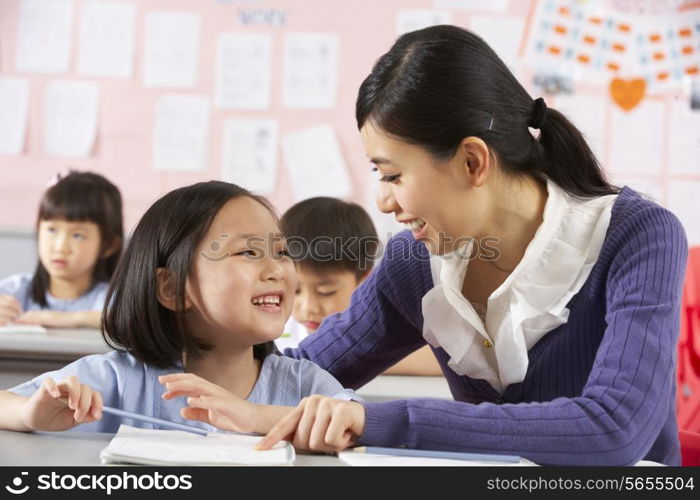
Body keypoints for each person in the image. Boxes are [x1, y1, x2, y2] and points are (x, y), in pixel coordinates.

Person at [251, 26, 687, 465]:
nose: (384, 202)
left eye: (392, 176)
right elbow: (289, 378)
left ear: (472, 161)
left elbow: (614, 429)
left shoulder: (638, 236)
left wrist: (373, 421)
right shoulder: (415, 263)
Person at [0, 181, 355, 435]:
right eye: (248, 252)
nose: (277, 270)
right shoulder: (119, 381)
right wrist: (29, 414)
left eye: (282, 252)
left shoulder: (305, 385)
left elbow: (358, 422)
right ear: (171, 288)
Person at [279, 196, 441, 375]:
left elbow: (441, 361)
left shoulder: (386, 324)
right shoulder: (275, 331)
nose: (308, 307)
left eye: (326, 292)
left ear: (365, 279)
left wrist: (364, 359)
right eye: (295, 290)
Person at [0, 171, 123, 329]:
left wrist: (67, 319)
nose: (60, 247)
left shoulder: (110, 298)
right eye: (51, 230)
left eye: (78, 235)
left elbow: (127, 320)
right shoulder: (16, 289)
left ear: (108, 246)